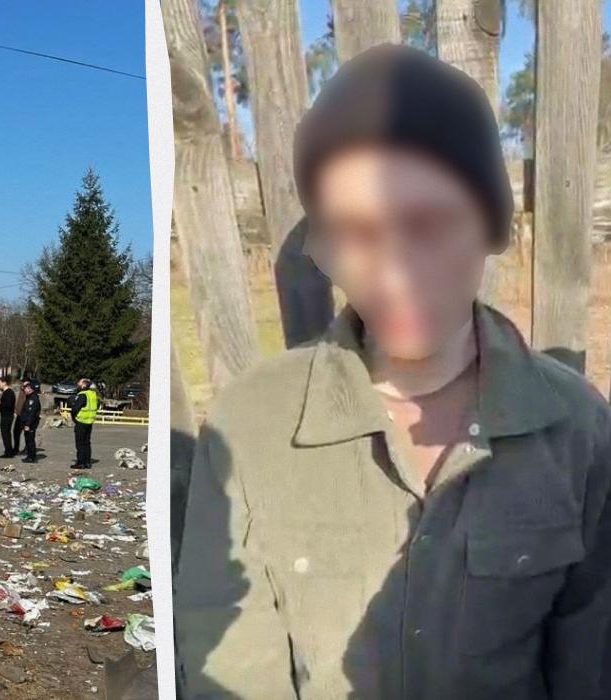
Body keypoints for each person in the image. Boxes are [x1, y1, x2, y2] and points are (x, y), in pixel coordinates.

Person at [177, 44, 611, 698]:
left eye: (428, 224)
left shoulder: (579, 433)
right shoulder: (250, 429)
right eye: (356, 231)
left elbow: (590, 666)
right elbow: (229, 668)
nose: (395, 271)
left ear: (489, 223)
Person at [68, 378, 98, 469]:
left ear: (84, 385)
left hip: (81, 421)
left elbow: (75, 409)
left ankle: (80, 462)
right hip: (89, 421)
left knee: (80, 444)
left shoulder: (82, 395)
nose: (78, 384)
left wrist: (74, 418)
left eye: (79, 383)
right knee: (87, 443)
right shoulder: (92, 394)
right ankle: (87, 462)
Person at [19, 379, 41, 463]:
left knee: (30, 440)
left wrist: (28, 424)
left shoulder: (33, 399)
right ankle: (30, 455)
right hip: (27, 423)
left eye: (25, 388)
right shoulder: (30, 397)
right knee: (28, 440)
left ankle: (31, 457)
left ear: (30, 389)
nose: (24, 390)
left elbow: (31, 413)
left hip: (31, 424)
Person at [0, 376, 16, 457]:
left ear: (4, 383)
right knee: (6, 434)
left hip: (7, 416)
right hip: (6, 415)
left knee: (6, 434)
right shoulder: (6, 392)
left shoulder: (9, 392)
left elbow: (8, 405)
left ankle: (8, 452)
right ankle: (8, 450)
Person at [11, 379, 26, 456]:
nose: (22, 385)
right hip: (19, 415)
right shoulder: (20, 391)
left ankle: (27, 449)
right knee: (16, 432)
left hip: (24, 416)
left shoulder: (27, 392)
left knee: (27, 434)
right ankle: (16, 449)